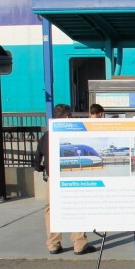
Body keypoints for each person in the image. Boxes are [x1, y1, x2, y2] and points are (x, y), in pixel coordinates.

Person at [34, 103, 97, 255]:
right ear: (67, 117)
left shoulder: (46, 136)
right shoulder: (74, 135)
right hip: (73, 176)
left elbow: (36, 160)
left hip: (53, 178)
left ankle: (53, 244)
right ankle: (79, 244)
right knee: (77, 207)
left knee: (51, 209)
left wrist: (42, 169)